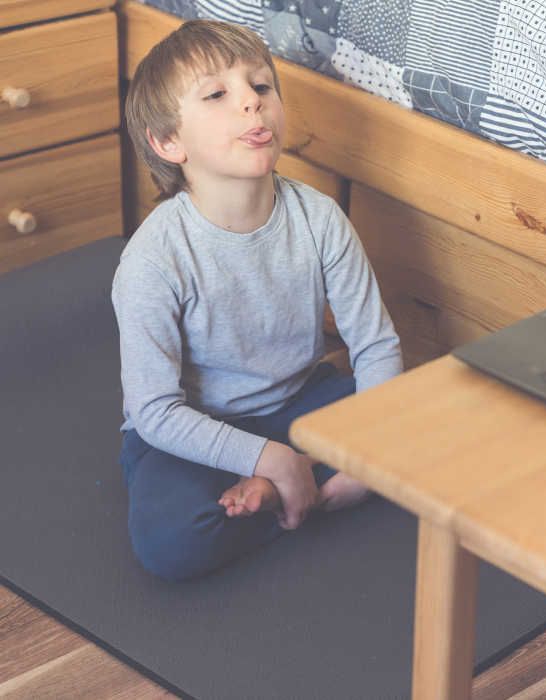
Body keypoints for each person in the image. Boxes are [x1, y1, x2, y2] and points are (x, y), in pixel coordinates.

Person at [113, 20, 402, 581]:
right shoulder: (152, 262)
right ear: (168, 142)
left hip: (301, 401)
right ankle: (306, 482)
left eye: (262, 86)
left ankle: (284, 492)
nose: (251, 101)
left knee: (437, 432)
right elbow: (153, 412)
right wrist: (265, 458)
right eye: (218, 95)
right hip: (196, 430)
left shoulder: (319, 218)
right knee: (171, 542)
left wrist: (375, 450)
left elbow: (374, 344)